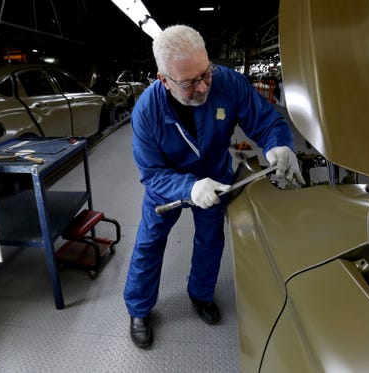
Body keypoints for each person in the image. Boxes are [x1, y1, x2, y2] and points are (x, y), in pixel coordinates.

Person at [124, 25, 304, 349]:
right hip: (168, 184)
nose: (204, 86)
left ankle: (201, 295)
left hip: (216, 176)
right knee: (149, 244)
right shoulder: (146, 113)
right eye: (190, 82)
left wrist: (277, 145)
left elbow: (266, 121)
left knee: (210, 240)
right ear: (164, 80)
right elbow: (151, 174)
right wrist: (189, 188)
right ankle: (139, 309)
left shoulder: (228, 83)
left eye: (206, 73)